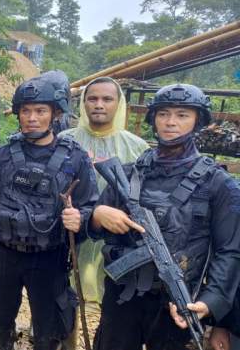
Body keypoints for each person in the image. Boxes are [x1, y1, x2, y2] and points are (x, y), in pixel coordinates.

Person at [0, 71, 99, 350]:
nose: (32, 117)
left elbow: (91, 205)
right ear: (18, 114)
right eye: (25, 111)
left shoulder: (75, 157)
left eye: (40, 111)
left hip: (49, 259)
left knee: (47, 333)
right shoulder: (3, 155)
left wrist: (80, 218)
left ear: (55, 114)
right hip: (4, 255)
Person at [90, 83, 240, 350]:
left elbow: (229, 251)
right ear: (153, 119)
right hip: (122, 297)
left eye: (182, 115)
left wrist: (210, 302)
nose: (171, 122)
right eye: (163, 114)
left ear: (198, 121)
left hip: (179, 303)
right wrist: (97, 214)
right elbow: (88, 222)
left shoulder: (219, 184)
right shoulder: (127, 174)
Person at [57, 76, 149, 347]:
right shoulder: (65, 140)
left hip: (114, 240)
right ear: (83, 103)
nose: (99, 105)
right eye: (92, 98)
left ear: (118, 104)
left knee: (111, 307)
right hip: (70, 234)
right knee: (65, 302)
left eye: (107, 99)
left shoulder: (136, 147)